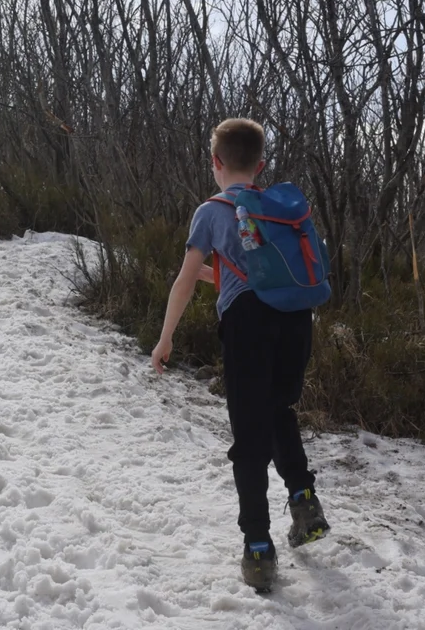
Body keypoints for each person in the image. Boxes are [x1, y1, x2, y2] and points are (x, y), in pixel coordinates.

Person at [151, 117, 329, 593]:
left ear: (216, 162)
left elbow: (187, 279)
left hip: (248, 325)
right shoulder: (277, 210)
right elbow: (240, 273)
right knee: (278, 410)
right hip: (296, 320)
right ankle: (304, 498)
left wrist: (165, 337)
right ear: (261, 165)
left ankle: (257, 548)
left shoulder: (211, 211)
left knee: (250, 436)